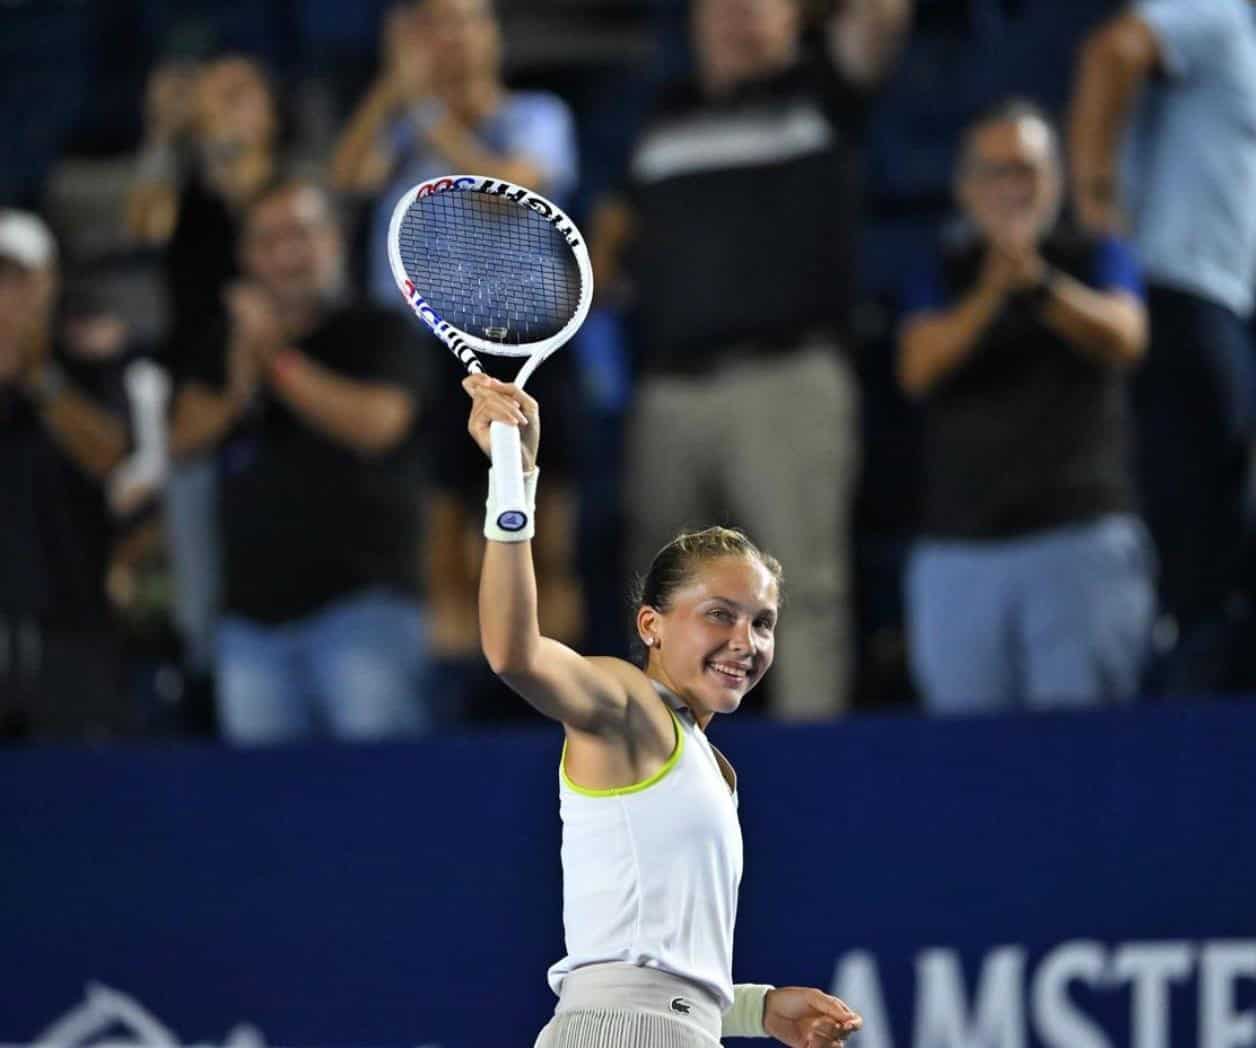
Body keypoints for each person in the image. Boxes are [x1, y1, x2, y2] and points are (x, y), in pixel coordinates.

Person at [462, 375, 863, 1047]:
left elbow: (650, 966)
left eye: (762, 623)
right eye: (719, 616)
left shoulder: (714, 766)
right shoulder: (628, 705)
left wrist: (757, 1009)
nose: (746, 642)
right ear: (650, 624)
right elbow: (513, 653)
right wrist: (514, 480)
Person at [592, 0, 912, 719]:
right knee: (664, 601)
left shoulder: (822, 92)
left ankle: (816, 764)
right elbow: (608, 247)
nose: (736, 14)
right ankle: (660, 771)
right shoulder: (655, 117)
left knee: (801, 594)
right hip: (670, 394)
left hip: (788, 382)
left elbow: (883, 18)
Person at [897, 101, 1154, 713]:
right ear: (965, 186)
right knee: (968, 768)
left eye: (1029, 170)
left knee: (1082, 759)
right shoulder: (941, 268)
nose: (1013, 187)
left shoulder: (1093, 252)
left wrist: (1039, 284)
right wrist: (993, 290)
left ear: (1056, 180)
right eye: (996, 171)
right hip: (961, 552)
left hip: (1079, 542)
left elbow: (1126, 335)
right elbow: (918, 366)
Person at [169, 178, 429, 744]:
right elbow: (183, 440)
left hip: (363, 612)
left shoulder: (379, 330)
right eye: (268, 241)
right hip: (249, 625)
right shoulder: (222, 343)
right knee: (263, 817)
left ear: (334, 241)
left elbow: (377, 425)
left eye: (302, 235)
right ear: (245, 258)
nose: (287, 255)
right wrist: (243, 369)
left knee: (381, 799)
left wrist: (275, 361)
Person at [1068, 0, 1256, 690]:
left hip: (1225, 304)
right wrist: (1096, 206)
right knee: (1202, 552)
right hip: (1181, 295)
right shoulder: (1216, 12)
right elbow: (1111, 53)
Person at [127, 55, 285, 692]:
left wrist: (220, 128)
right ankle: (201, 668)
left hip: (276, 367)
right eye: (214, 95)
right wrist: (165, 134)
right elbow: (144, 225)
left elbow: (247, 196)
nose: (220, 105)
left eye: (240, 93)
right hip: (196, 378)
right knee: (193, 533)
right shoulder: (184, 181)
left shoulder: (282, 176)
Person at [329, 0, 578, 306]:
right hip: (408, 332)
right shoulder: (404, 124)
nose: (458, 36)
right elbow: (348, 181)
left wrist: (422, 106)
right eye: (439, 24)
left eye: (470, 21)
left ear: (495, 34)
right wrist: (391, 84)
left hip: (509, 332)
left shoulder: (539, 115)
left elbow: (504, 197)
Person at [0, 212, 136, 738]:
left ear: (49, 283)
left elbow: (107, 455)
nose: (6, 297)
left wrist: (38, 379)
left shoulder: (91, 359)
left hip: (72, 622)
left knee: (81, 793)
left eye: (19, 279)